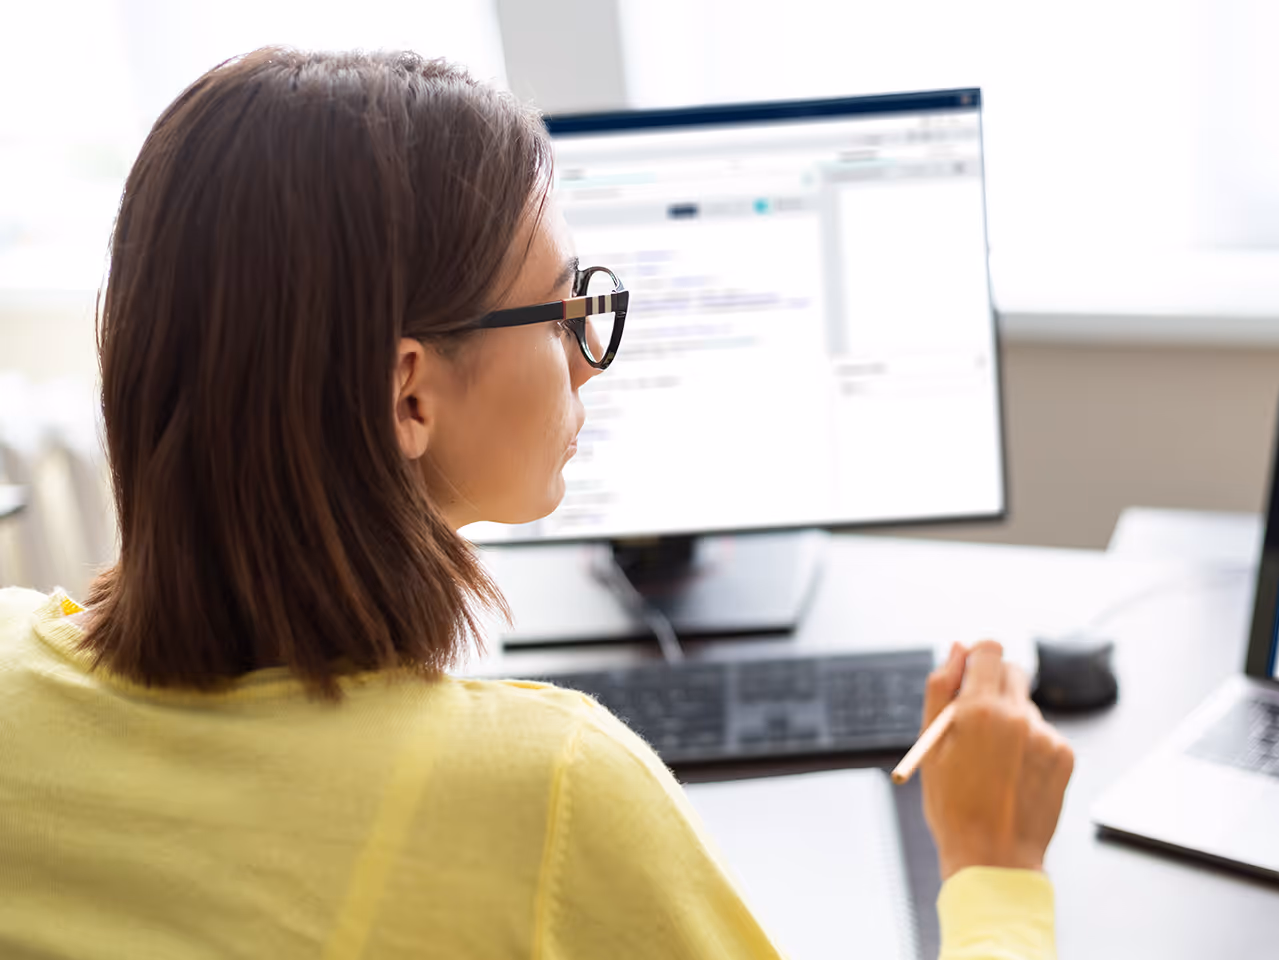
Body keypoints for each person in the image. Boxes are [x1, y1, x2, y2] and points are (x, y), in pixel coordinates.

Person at [0, 48, 1074, 959]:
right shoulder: (549, 794)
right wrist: (992, 867)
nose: (588, 361)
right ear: (408, 392)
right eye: (563, 313)